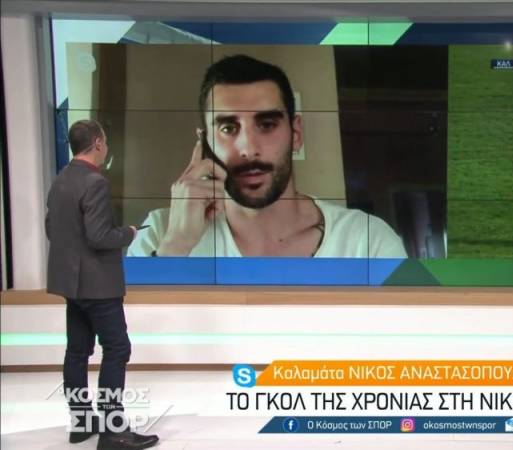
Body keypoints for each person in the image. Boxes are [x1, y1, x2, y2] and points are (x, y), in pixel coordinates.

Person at [127, 54, 407, 257]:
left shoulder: (367, 241)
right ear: (204, 143)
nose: (249, 148)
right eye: (228, 128)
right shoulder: (158, 233)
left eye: (267, 124)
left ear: (296, 133)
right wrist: (176, 244)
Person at [45, 119, 159, 450]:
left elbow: (53, 229)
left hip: (71, 283)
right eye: (105, 141)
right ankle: (114, 432)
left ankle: (81, 423)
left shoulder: (61, 179)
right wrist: (128, 234)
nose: (106, 147)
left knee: (77, 351)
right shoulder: (95, 182)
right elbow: (99, 236)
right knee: (117, 348)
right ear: (97, 143)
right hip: (97, 283)